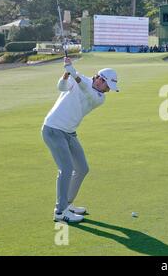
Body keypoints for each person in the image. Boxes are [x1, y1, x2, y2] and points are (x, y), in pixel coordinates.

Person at [42, 57, 119, 223]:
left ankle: (67, 204)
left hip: (69, 132)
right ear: (100, 79)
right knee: (66, 169)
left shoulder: (99, 97)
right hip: (54, 128)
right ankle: (60, 212)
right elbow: (61, 87)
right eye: (108, 86)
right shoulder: (80, 78)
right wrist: (66, 73)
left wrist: (73, 73)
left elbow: (86, 91)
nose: (108, 90)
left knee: (82, 168)